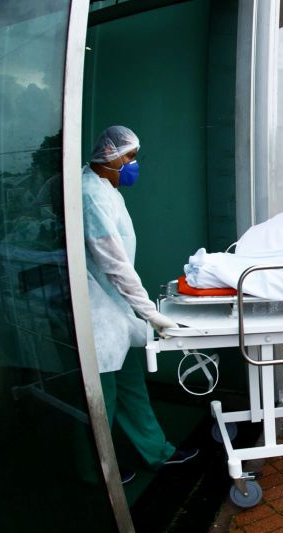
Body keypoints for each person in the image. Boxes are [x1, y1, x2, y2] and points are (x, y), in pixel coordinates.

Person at [83, 125, 197, 483]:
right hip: (96, 313)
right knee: (101, 401)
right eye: (130, 157)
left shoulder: (108, 189)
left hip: (117, 310)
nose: (134, 164)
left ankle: (158, 452)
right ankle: (97, 472)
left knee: (132, 387)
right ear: (109, 155)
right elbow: (114, 263)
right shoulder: (91, 195)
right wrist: (151, 313)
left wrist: (139, 310)